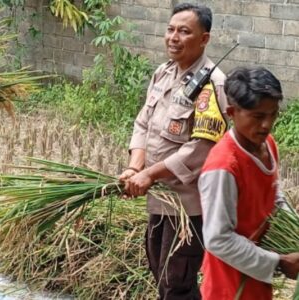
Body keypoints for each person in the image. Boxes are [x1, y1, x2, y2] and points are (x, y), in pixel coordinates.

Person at [119, 3, 228, 299]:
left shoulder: (212, 84)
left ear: (204, 38)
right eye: (170, 30)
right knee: (160, 273)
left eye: (184, 31)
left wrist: (149, 175)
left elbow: (202, 149)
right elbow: (143, 122)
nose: (173, 37)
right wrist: (134, 167)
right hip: (158, 198)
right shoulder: (163, 73)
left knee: (175, 283)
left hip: (187, 207)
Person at [198, 66, 299, 300]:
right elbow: (217, 238)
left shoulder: (268, 145)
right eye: (258, 116)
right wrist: (278, 262)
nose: (267, 124)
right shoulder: (223, 167)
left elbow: (274, 199)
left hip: (256, 278)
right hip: (230, 284)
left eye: (272, 114)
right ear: (232, 112)